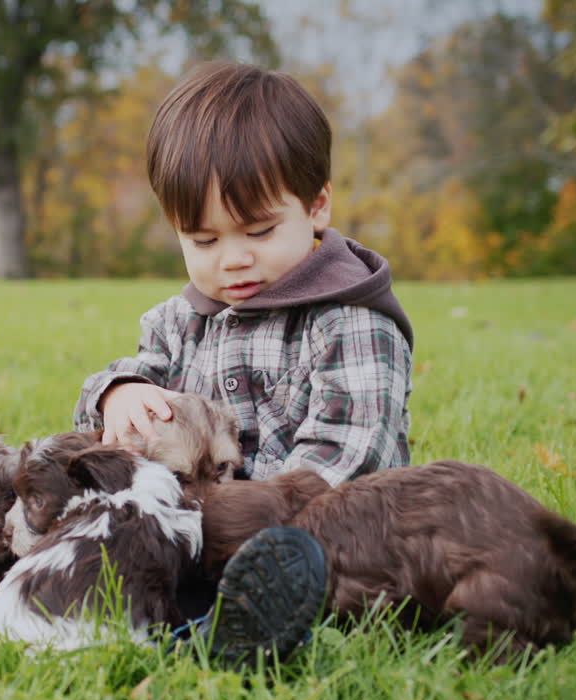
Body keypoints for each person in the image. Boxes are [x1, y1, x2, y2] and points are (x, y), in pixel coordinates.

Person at [71, 61, 414, 661]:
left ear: (317, 207)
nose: (231, 261)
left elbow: (348, 462)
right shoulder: (180, 322)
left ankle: (229, 629)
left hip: (315, 547)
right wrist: (118, 393)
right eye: (203, 241)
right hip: (194, 538)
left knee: (299, 580)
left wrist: (227, 528)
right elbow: (109, 418)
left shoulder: (350, 322)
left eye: (257, 231)